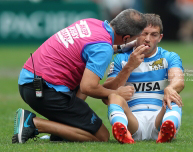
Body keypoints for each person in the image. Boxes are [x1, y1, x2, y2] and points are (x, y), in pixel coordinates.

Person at [12, 9, 147, 144]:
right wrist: (116, 92)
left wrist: (121, 48)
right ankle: (34, 123)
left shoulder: (91, 23)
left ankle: (62, 131)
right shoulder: (103, 48)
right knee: (101, 136)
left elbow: (93, 47)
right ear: (126, 38)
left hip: (29, 80)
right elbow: (88, 87)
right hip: (45, 91)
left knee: (82, 84)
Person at [103, 13, 184, 144]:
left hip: (159, 119)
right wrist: (129, 67)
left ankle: (167, 128)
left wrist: (171, 88)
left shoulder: (169, 57)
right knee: (114, 96)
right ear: (135, 35)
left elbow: (178, 80)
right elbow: (105, 94)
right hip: (132, 121)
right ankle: (122, 131)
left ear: (160, 37)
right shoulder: (122, 59)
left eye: (154, 35)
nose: (147, 39)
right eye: (144, 33)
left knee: (173, 96)